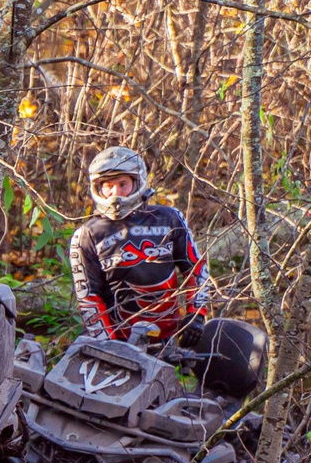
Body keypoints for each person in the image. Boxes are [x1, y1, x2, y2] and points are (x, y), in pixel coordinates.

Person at [67, 146, 211, 341]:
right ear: (98, 187)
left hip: (166, 340)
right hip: (116, 340)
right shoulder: (87, 235)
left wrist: (195, 316)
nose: (115, 193)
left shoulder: (169, 218)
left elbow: (196, 269)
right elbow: (89, 298)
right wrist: (108, 346)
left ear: (137, 182)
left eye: (123, 184)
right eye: (108, 186)